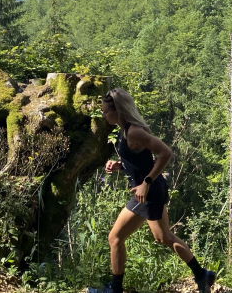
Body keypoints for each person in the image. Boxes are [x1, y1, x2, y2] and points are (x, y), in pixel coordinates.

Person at [87, 88, 216, 293]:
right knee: (163, 237)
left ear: (118, 110)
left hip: (147, 193)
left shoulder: (134, 131)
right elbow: (142, 159)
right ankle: (202, 275)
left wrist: (146, 182)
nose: (103, 115)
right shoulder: (125, 130)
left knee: (115, 238)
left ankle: (114, 289)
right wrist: (120, 165)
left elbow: (166, 153)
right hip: (150, 192)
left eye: (105, 112)